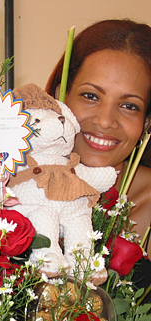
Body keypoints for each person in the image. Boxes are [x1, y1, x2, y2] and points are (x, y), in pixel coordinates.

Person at [45, 19, 151, 261]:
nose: (105, 121)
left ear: (146, 122)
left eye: (129, 105)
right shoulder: (10, 187)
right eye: (91, 95)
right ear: (60, 96)